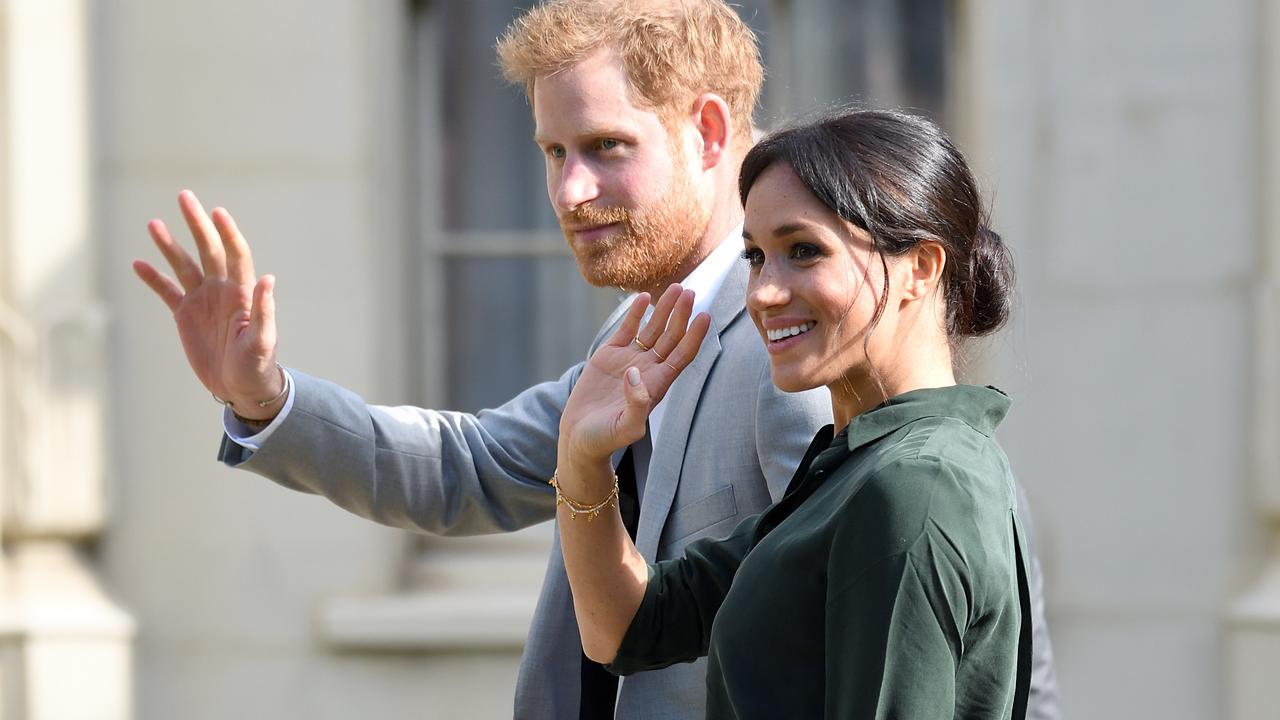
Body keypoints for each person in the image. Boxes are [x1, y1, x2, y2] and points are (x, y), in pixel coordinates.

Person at [131, 1, 1059, 717]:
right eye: (550, 151)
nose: (571, 190)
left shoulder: (808, 366)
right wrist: (263, 398)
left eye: (606, 147)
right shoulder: (646, 338)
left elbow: (985, 650)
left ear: (705, 132)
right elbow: (480, 477)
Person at [552, 109, 1036, 718]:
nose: (763, 293)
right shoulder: (856, 469)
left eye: (803, 251)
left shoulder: (915, 486)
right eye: (755, 257)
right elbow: (624, 627)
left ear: (920, 267)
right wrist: (582, 455)